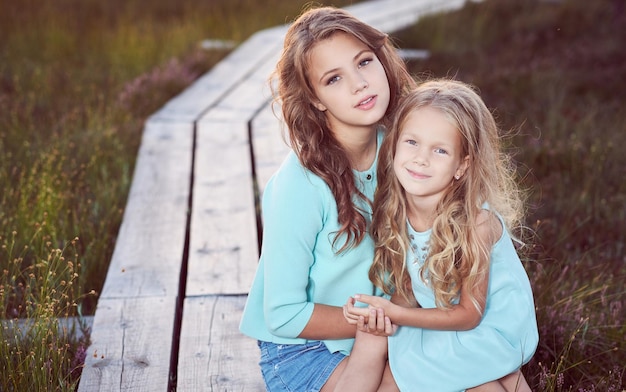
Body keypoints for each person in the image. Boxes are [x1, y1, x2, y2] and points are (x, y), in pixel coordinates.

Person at [238, 5, 415, 392]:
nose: (359, 84)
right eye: (334, 79)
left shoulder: (403, 153)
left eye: (364, 62)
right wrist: (379, 318)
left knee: (477, 373)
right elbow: (283, 314)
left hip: (386, 328)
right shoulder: (300, 185)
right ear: (315, 98)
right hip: (306, 350)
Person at [340, 79, 539, 391]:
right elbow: (409, 288)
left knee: (481, 381)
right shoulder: (396, 208)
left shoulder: (476, 224)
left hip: (487, 326)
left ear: (462, 165)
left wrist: (399, 315)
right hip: (440, 313)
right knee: (371, 335)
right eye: (412, 142)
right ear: (393, 145)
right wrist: (382, 310)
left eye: (440, 150)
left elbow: (469, 315)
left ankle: (499, 374)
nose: (421, 158)